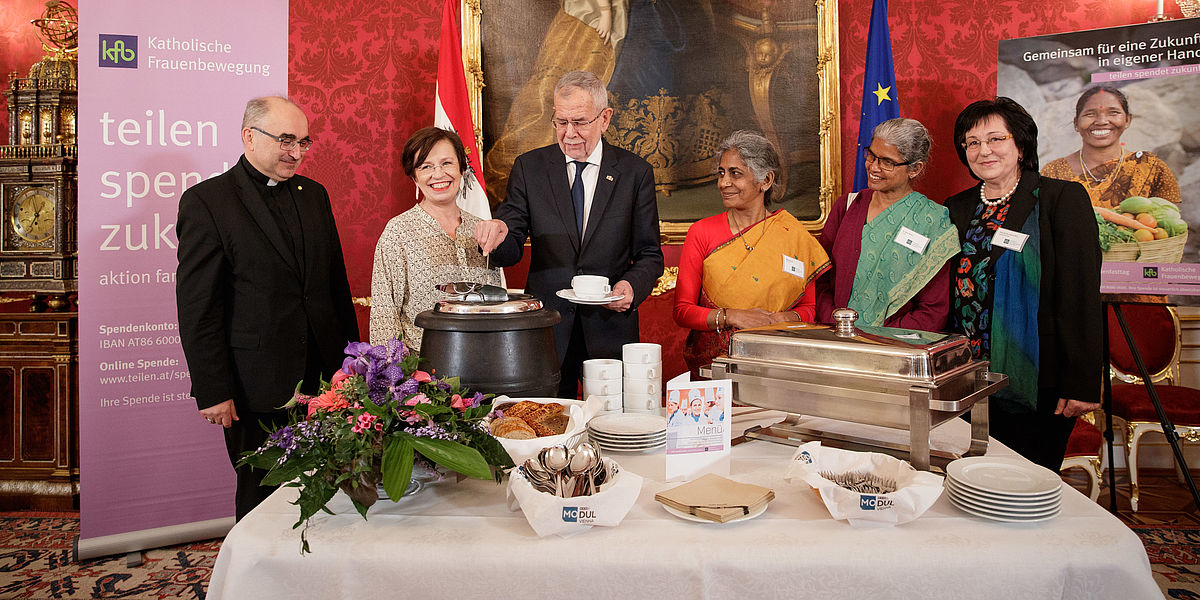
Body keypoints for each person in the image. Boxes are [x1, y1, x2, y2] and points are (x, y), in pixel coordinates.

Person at [176, 96, 359, 520]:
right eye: (286, 140)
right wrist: (213, 388)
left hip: (325, 380)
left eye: (303, 141)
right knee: (262, 499)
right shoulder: (207, 202)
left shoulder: (314, 194)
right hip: (254, 387)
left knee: (331, 488)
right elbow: (198, 306)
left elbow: (334, 286)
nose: (296, 152)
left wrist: (351, 365)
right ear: (249, 138)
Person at [475, 70, 664, 398]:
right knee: (548, 429)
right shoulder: (529, 168)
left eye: (579, 122)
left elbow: (650, 254)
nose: (569, 134)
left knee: (611, 429)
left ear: (605, 119)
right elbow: (511, 246)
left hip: (609, 332)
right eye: (561, 122)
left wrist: (631, 287)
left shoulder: (635, 173)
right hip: (548, 332)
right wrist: (499, 233)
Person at [947, 97, 1101, 471]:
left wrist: (1081, 383)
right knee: (969, 479)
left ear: (1020, 145)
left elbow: (1079, 293)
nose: (984, 150)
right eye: (972, 142)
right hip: (966, 378)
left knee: (1026, 483)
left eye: (996, 138)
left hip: (1039, 377)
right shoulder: (956, 207)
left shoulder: (1059, 199)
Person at [672, 130, 830, 378]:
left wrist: (776, 320)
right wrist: (732, 316)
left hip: (777, 362)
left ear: (765, 180)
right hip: (715, 366)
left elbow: (809, 309)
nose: (723, 183)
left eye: (736, 174)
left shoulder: (793, 235)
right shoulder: (701, 232)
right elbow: (683, 311)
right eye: (721, 173)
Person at [816, 118, 957, 331]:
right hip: (839, 337)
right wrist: (836, 320)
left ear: (915, 169)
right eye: (871, 156)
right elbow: (821, 278)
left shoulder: (933, 220)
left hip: (896, 346)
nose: (873, 167)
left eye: (887, 162)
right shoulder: (847, 207)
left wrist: (884, 338)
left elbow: (933, 309)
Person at [369, 127, 502, 351]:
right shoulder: (398, 232)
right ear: (414, 176)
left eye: (447, 163)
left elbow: (495, 302)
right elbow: (384, 314)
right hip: (425, 372)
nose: (438, 174)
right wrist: (400, 378)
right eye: (426, 167)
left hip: (486, 360)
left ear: (462, 167)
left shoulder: (483, 228)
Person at [1041, 85, 1181, 208]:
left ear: (1127, 120)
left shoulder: (1152, 168)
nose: (1101, 121)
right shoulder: (1053, 173)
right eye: (1090, 114)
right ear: (1076, 123)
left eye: (1113, 112)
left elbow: (1168, 225)